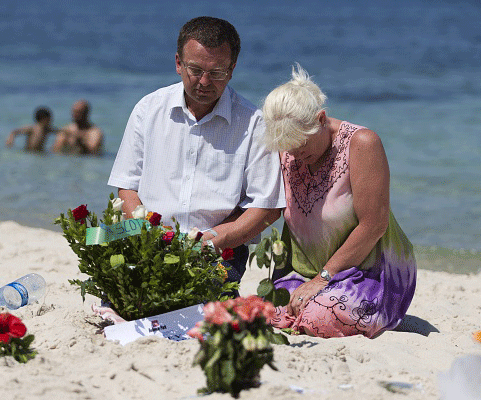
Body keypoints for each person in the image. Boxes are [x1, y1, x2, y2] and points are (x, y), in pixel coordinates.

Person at [108, 16, 285, 285]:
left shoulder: (254, 123)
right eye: (195, 69)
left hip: (220, 246)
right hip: (146, 235)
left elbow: (267, 208)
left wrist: (213, 240)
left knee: (203, 304)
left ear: (232, 69)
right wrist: (149, 233)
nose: (204, 81)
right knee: (117, 289)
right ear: (178, 63)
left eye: (216, 73)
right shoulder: (148, 109)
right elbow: (127, 186)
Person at [262, 64, 417, 338]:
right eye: (289, 146)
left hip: (368, 274)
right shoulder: (288, 149)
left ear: (321, 119)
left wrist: (322, 279)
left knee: (318, 317)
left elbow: (374, 225)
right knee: (263, 313)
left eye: (301, 143)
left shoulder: (362, 144)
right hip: (302, 273)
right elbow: (266, 210)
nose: (295, 154)